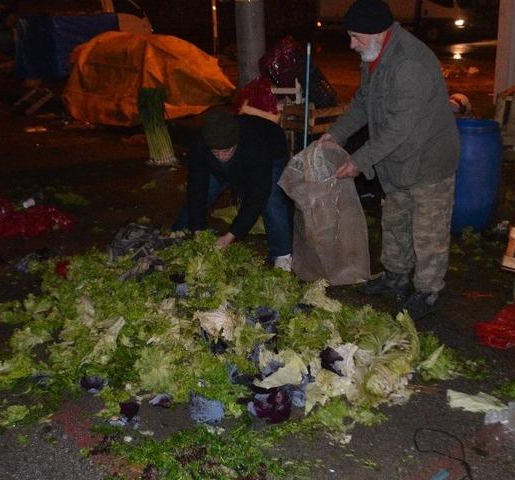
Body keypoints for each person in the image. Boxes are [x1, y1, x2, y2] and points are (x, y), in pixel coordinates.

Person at [319, 0, 460, 320]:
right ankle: (396, 276)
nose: (351, 44)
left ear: (379, 33)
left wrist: (358, 161)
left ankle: (427, 289)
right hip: (397, 160)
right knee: (395, 219)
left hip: (428, 159)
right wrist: (336, 134)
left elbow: (398, 129)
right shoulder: (374, 56)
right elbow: (364, 101)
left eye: (356, 37)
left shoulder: (409, 64)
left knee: (428, 230)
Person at [172, 109, 293, 270]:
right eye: (217, 152)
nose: (222, 156)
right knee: (204, 192)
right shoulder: (201, 145)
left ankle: (282, 254)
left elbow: (258, 194)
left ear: (235, 144)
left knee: (271, 199)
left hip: (271, 150)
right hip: (224, 158)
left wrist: (230, 236)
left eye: (226, 151)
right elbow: (196, 188)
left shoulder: (254, 144)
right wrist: (197, 229)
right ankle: (176, 236)